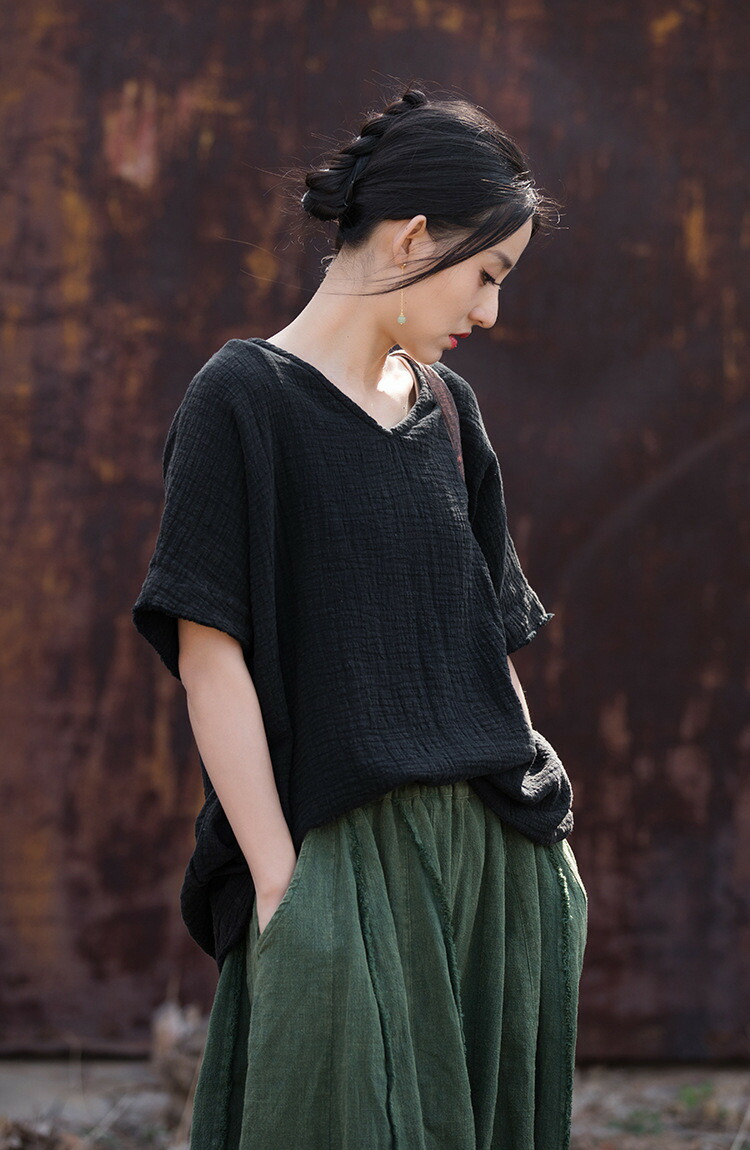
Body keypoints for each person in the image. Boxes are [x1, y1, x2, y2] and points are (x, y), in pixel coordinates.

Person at [132, 82, 588, 1150]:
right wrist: (282, 884)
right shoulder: (241, 399)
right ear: (414, 235)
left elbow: (487, 643)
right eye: (487, 274)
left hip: (495, 856)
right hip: (340, 854)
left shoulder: (451, 414)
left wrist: (549, 837)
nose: (488, 313)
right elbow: (211, 658)